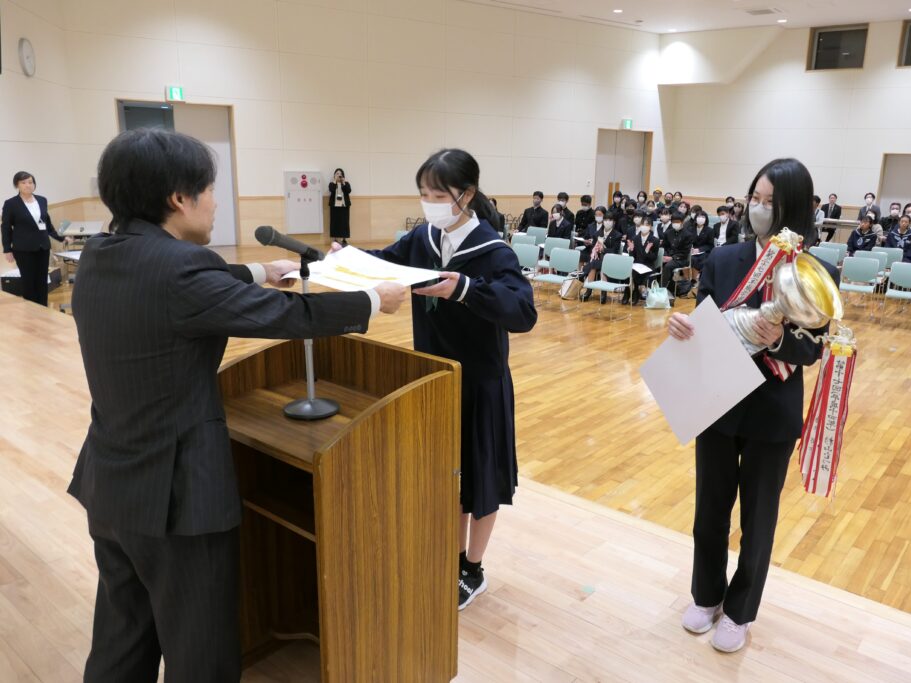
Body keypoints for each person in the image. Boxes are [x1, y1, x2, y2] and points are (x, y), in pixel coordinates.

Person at [68, 128, 406, 683]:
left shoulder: (102, 255)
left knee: (122, 638)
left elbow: (176, 282)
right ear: (179, 198)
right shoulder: (181, 272)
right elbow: (287, 318)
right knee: (199, 653)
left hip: (112, 484)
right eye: (210, 189)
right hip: (178, 500)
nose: (216, 201)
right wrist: (373, 298)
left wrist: (257, 271)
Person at [667, 158, 837, 655]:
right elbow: (700, 314)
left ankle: (740, 612)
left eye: (771, 202)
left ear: (795, 209)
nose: (759, 209)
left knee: (758, 520)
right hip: (716, 402)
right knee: (708, 511)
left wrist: (781, 341)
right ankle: (705, 596)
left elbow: (813, 347)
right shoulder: (724, 258)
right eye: (755, 199)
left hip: (771, 412)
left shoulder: (815, 271)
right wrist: (680, 327)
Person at [368, 148, 537, 611]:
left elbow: (522, 312)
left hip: (480, 384)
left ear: (467, 194)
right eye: (423, 194)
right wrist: (346, 259)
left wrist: (463, 289)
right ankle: (448, 556)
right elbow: (386, 262)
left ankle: (473, 568)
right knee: (447, 478)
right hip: (434, 379)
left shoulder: (493, 251)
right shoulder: (422, 237)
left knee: (481, 481)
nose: (429, 203)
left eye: (438, 194)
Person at [1, 171, 70, 306]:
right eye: (24, 182)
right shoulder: (11, 203)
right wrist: (7, 249)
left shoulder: (42, 200)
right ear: (17, 185)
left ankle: (43, 308)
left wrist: (61, 238)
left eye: (31, 182)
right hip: (23, 249)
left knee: (42, 280)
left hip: (42, 247)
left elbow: (47, 225)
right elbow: (6, 228)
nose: (28, 185)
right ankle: (32, 311)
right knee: (29, 282)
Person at [582, 214, 624, 303]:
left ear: (613, 222)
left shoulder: (617, 235)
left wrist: (604, 249)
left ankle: (597, 291)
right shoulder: (597, 234)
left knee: (595, 265)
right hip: (598, 259)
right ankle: (591, 291)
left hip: (611, 260)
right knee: (594, 264)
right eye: (606, 220)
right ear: (603, 222)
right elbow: (593, 248)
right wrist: (596, 248)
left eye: (610, 220)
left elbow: (615, 251)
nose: (607, 222)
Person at [625, 216, 660, 304]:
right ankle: (627, 293)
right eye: (642, 224)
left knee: (645, 275)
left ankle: (637, 293)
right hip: (637, 264)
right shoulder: (635, 238)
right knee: (627, 271)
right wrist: (631, 250)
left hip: (648, 265)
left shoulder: (654, 240)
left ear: (651, 227)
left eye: (647, 225)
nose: (644, 226)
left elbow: (654, 258)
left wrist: (647, 251)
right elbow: (633, 256)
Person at [660, 212, 693, 296]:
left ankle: (662, 289)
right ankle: (667, 287)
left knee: (668, 266)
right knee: (657, 264)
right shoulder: (668, 233)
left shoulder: (687, 235)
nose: (675, 223)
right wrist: (665, 256)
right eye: (674, 222)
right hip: (668, 257)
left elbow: (685, 252)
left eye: (677, 222)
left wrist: (672, 258)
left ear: (682, 222)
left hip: (681, 259)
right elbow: (664, 246)